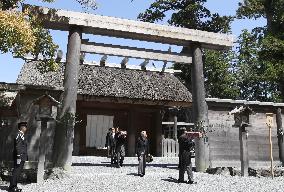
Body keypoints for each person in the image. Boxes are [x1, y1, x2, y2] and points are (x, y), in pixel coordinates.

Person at [9, 122, 28, 192]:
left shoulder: (22, 135)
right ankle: (12, 187)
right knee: (16, 171)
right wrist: (18, 156)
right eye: (25, 127)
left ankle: (14, 186)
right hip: (19, 157)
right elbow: (17, 146)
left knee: (18, 171)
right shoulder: (18, 134)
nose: (26, 128)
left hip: (22, 157)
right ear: (21, 127)